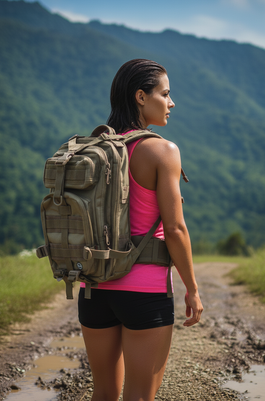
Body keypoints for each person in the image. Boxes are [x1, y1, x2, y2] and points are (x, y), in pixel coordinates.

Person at [78, 59, 203, 401]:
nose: (171, 102)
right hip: (145, 294)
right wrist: (192, 288)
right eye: (165, 94)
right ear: (140, 97)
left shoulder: (93, 149)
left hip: (94, 288)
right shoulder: (162, 151)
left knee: (102, 393)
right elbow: (175, 229)